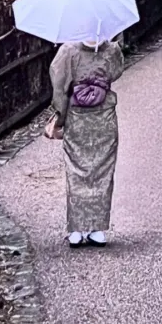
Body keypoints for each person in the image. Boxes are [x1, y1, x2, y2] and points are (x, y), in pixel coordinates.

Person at [49, 37, 124, 248]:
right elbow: (117, 71)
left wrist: (60, 117)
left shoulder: (68, 51)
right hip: (105, 117)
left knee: (77, 170)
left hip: (77, 117)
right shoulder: (112, 51)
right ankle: (97, 229)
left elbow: (59, 87)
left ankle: (76, 228)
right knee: (102, 171)